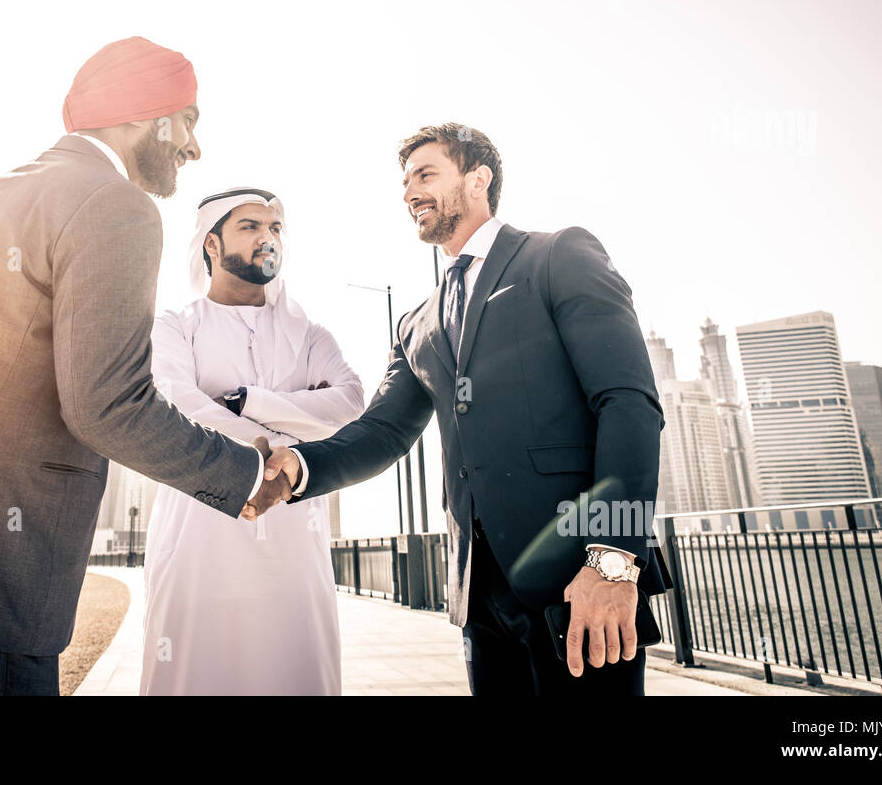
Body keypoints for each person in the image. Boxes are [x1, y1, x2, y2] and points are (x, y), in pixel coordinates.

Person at [0, 37, 292, 696]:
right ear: (137, 114)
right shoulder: (117, 207)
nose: (194, 147)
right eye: (187, 120)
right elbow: (106, 404)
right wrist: (242, 472)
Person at [262, 123, 672, 696]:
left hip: (579, 580)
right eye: (404, 182)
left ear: (479, 179)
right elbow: (382, 432)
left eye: (426, 174)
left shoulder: (558, 254)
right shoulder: (417, 322)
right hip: (479, 595)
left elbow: (628, 404)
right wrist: (300, 468)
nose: (409, 192)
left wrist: (613, 562)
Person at [140, 188, 363, 695]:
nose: (268, 236)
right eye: (250, 227)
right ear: (211, 246)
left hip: (295, 547)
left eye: (275, 228)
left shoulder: (309, 333)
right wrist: (283, 441)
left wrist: (250, 403)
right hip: (199, 541)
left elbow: (350, 404)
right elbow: (177, 405)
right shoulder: (175, 326)